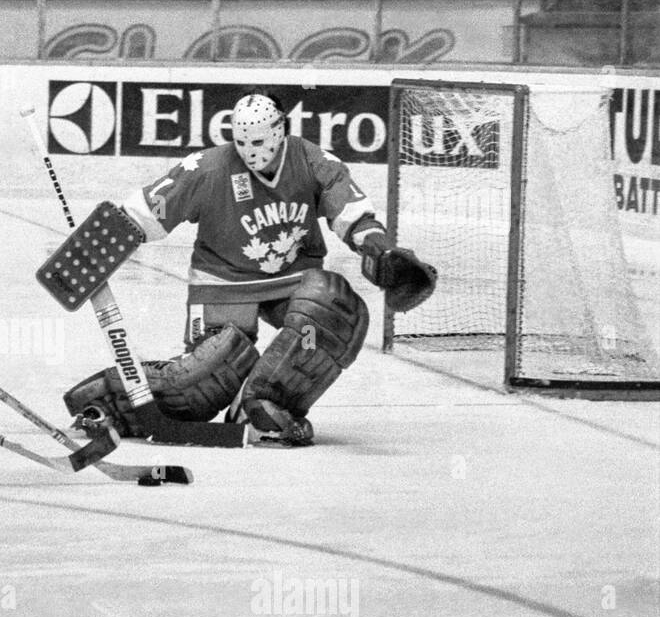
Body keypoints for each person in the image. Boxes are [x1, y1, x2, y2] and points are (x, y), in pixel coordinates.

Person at [62, 90, 436, 447]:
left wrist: (379, 251)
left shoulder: (312, 161)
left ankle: (261, 405)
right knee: (208, 379)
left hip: (291, 281)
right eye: (241, 143)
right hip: (223, 282)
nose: (249, 152)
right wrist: (91, 251)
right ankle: (108, 401)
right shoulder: (208, 169)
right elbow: (144, 213)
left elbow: (351, 216)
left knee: (333, 312)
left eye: (258, 143)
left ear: (280, 131)